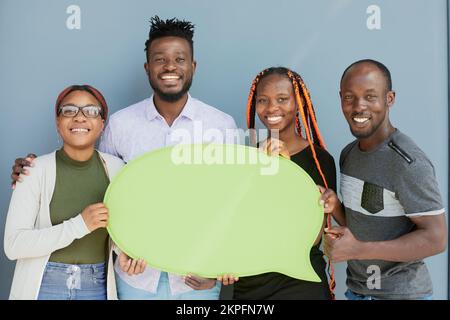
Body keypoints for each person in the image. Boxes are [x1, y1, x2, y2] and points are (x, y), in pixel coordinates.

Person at [11, 16, 238, 300]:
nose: (170, 66)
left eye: (180, 59)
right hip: (135, 279)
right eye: (160, 59)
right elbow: (101, 187)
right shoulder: (120, 125)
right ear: (147, 68)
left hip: (197, 278)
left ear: (193, 66)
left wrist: (221, 264)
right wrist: (32, 170)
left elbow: (231, 203)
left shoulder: (221, 125)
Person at [320, 59, 447, 300]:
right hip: (357, 292)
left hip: (403, 295)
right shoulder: (349, 154)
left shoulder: (408, 163)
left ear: (389, 98)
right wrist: (336, 206)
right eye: (350, 97)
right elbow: (366, 224)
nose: (359, 107)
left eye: (370, 96)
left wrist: (359, 250)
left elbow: (436, 238)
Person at [3, 85, 137, 300]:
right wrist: (80, 225)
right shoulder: (33, 170)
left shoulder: (117, 169)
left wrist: (124, 254)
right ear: (58, 122)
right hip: (44, 287)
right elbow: (13, 245)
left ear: (102, 124)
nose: (80, 117)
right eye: (69, 110)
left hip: (96, 287)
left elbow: (118, 230)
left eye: (91, 111)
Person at [228, 67, 336, 300]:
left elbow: (312, 237)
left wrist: (285, 171)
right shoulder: (248, 160)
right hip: (251, 281)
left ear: (298, 104)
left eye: (282, 99)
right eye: (263, 100)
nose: (271, 108)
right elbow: (240, 226)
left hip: (300, 281)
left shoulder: (319, 160)